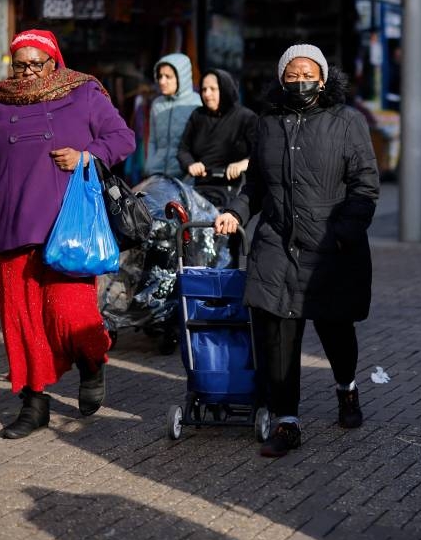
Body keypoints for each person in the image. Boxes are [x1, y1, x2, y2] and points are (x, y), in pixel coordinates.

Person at [0, 29, 135, 439]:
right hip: (15, 225)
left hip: (69, 226)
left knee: (70, 315)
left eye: (37, 64)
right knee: (23, 323)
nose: (29, 72)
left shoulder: (83, 92)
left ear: (54, 61)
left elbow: (122, 138)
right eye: (21, 65)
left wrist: (88, 156)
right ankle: (33, 404)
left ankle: (92, 363)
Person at [214, 44, 380, 458]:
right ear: (281, 78)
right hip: (277, 242)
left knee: (335, 329)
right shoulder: (268, 124)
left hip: (329, 245)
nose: (300, 81)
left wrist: (343, 233)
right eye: (291, 74)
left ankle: (347, 388)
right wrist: (235, 211)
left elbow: (365, 184)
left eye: (308, 73)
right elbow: (256, 186)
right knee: (277, 333)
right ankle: (287, 422)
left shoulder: (347, 122)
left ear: (323, 78)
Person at [176, 68, 258, 208]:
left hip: (237, 190)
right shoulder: (198, 116)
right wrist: (191, 164)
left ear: (225, 89)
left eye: (213, 89)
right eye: (204, 89)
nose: (207, 94)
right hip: (200, 190)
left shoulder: (246, 118)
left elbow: (261, 153)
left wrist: (243, 164)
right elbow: (183, 149)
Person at [143, 53, 201, 178]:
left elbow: (200, 146)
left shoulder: (197, 104)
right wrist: (149, 165)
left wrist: (191, 175)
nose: (162, 81)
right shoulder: (157, 104)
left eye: (168, 77)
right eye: (160, 76)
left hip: (185, 178)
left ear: (182, 77)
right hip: (156, 175)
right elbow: (152, 141)